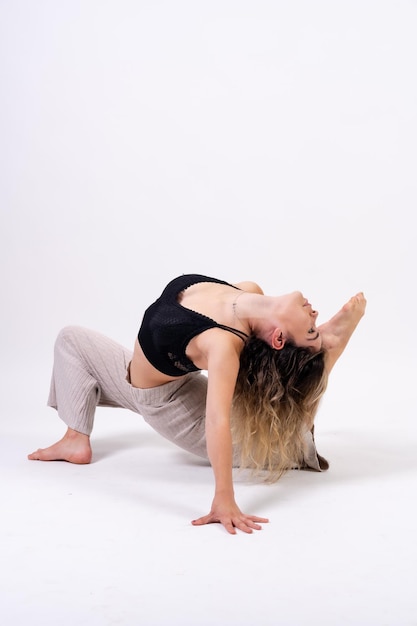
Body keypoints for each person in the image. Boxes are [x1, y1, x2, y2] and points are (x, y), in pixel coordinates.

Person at [28, 274, 366, 535]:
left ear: (280, 336)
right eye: (313, 329)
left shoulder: (222, 344)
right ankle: (75, 438)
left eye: (310, 329)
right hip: (141, 379)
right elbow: (258, 369)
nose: (314, 312)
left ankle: (325, 357)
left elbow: (217, 420)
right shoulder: (249, 290)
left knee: (275, 448)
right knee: (70, 339)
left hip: (172, 408)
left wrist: (224, 499)